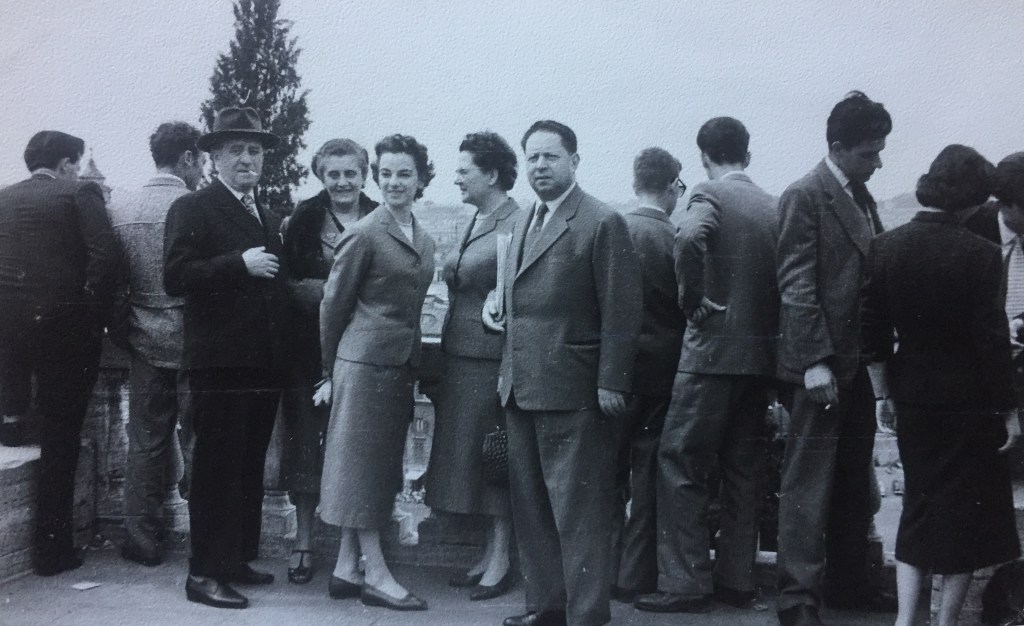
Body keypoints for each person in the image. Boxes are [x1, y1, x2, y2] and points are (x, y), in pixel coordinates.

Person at [484, 120, 643, 626]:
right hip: (520, 386)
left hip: (574, 390)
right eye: (532, 157)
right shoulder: (521, 222)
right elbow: (518, 294)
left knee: (578, 512)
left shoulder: (601, 221)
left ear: (574, 161)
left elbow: (622, 310)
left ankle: (586, 615)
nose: (539, 166)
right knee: (531, 509)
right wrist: (494, 306)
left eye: (550, 156)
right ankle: (547, 607)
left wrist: (612, 381)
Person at [862, 144, 1022, 626]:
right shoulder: (982, 254)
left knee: (918, 504)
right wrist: (1009, 411)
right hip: (968, 403)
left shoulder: (885, 246)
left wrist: (883, 393)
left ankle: (905, 620)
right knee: (963, 515)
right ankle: (945, 621)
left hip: (911, 393)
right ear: (970, 198)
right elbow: (992, 342)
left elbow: (871, 332)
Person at [635, 117, 778, 614]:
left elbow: (688, 238)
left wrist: (692, 299)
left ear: (703, 157)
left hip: (709, 357)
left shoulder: (707, 194)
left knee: (680, 461)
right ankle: (737, 580)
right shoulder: (771, 204)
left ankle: (685, 583)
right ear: (747, 155)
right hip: (758, 361)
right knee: (743, 471)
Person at [775, 91, 896, 626]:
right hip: (823, 369)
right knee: (808, 484)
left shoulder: (860, 197)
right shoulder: (805, 195)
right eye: (870, 153)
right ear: (839, 147)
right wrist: (814, 361)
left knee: (852, 482)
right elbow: (796, 283)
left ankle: (849, 585)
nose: (878, 162)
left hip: (857, 367)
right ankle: (797, 598)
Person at [164, 106, 289, 609]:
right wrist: (238, 263)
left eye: (254, 150)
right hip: (219, 362)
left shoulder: (266, 214)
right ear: (213, 157)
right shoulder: (193, 207)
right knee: (216, 467)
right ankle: (203, 573)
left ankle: (233, 559)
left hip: (262, 361)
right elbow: (176, 276)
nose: (246, 159)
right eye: (235, 150)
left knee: (247, 464)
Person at [315, 134, 436, 611]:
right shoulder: (365, 233)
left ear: (421, 178)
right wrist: (330, 370)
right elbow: (332, 306)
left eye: (404, 173)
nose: (394, 182)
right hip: (363, 366)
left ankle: (346, 567)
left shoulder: (423, 236)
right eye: (386, 173)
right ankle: (378, 576)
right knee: (364, 470)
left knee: (373, 468)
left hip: (397, 367)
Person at [0, 130, 119, 575]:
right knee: (61, 437)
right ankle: (53, 552)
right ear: (68, 163)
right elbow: (105, 258)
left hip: (9, 332)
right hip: (66, 331)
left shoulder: (3, 197)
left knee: (19, 424)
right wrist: (92, 317)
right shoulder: (80, 192)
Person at [425, 131, 520, 600]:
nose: (457, 178)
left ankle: (501, 560)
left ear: (492, 175)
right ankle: (488, 555)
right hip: (462, 358)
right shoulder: (479, 218)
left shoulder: (514, 222)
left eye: (465, 171)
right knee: (475, 460)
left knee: (494, 458)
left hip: (488, 359)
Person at [280, 138, 377, 584]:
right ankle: (303, 540)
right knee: (305, 442)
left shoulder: (380, 216)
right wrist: (331, 297)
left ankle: (350, 548)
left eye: (350, 173)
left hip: (363, 350)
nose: (342, 182)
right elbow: (287, 283)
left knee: (358, 447)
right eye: (332, 174)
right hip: (308, 351)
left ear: (364, 175)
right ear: (322, 177)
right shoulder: (303, 219)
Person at [109, 121, 205, 567]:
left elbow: (110, 282)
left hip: (144, 337)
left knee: (145, 443)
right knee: (200, 438)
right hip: (196, 338)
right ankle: (207, 538)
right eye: (200, 161)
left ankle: (142, 539)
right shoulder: (198, 206)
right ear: (187, 158)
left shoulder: (122, 206)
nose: (202, 170)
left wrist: (125, 329)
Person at [608, 147, 687, 603]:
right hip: (662, 377)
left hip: (613, 376)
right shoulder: (675, 238)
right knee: (647, 478)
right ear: (673, 186)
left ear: (636, 183)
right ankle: (633, 575)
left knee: (607, 476)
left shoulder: (614, 229)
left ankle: (601, 567)